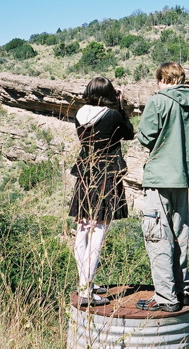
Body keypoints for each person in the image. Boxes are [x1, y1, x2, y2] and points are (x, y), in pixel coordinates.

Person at [135, 62, 189, 312]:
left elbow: (145, 137)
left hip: (159, 179)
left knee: (158, 236)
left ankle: (166, 297)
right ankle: (182, 290)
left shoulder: (158, 101)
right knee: (180, 236)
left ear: (163, 79)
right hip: (183, 179)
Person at [69, 76, 134, 307]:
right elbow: (128, 133)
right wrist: (119, 105)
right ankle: (87, 291)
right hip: (106, 175)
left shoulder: (78, 114)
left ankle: (84, 284)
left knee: (82, 230)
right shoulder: (113, 114)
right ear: (108, 94)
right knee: (98, 233)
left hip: (85, 175)